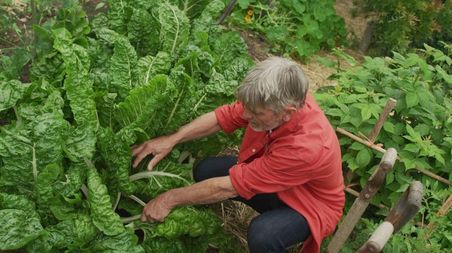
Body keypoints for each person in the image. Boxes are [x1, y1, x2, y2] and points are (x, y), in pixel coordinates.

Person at [132, 57, 345, 253]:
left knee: (263, 235)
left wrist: (168, 200)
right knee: (205, 170)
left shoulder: (307, 147)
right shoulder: (280, 96)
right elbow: (222, 117)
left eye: (256, 113)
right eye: (248, 107)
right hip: (277, 179)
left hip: (308, 204)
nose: (245, 115)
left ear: (288, 112)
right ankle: (200, 223)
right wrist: (171, 139)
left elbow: (228, 187)